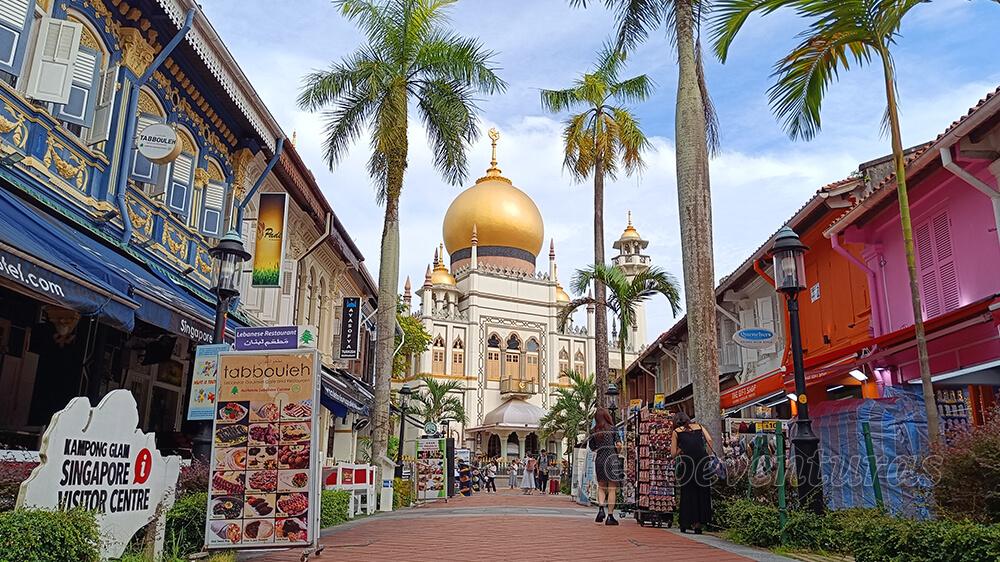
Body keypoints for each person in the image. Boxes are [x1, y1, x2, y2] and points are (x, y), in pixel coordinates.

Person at [671, 411, 714, 534]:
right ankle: (699, 524)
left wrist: (682, 447)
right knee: (702, 490)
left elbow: (673, 453)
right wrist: (706, 455)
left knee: (688, 491)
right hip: (702, 461)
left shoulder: (676, 432)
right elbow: (709, 440)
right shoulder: (699, 427)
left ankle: (686, 522)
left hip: (688, 462)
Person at [588, 407, 623, 525]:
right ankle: (610, 516)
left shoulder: (594, 431)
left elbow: (592, 447)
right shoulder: (613, 429)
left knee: (601, 486)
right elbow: (618, 444)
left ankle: (601, 509)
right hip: (612, 459)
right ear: (607, 416)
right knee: (612, 489)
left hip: (600, 459)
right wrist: (617, 451)